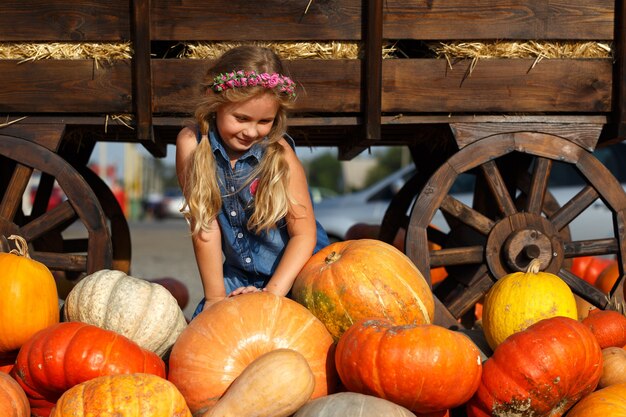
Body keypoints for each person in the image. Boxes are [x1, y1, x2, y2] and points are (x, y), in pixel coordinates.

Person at [175, 46, 330, 318]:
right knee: (205, 334)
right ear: (216, 102)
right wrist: (215, 298)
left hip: (295, 274)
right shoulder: (192, 145)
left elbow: (304, 235)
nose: (250, 131)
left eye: (264, 121)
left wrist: (270, 296)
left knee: (298, 338)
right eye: (241, 118)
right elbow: (205, 226)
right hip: (240, 275)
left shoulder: (280, 155)